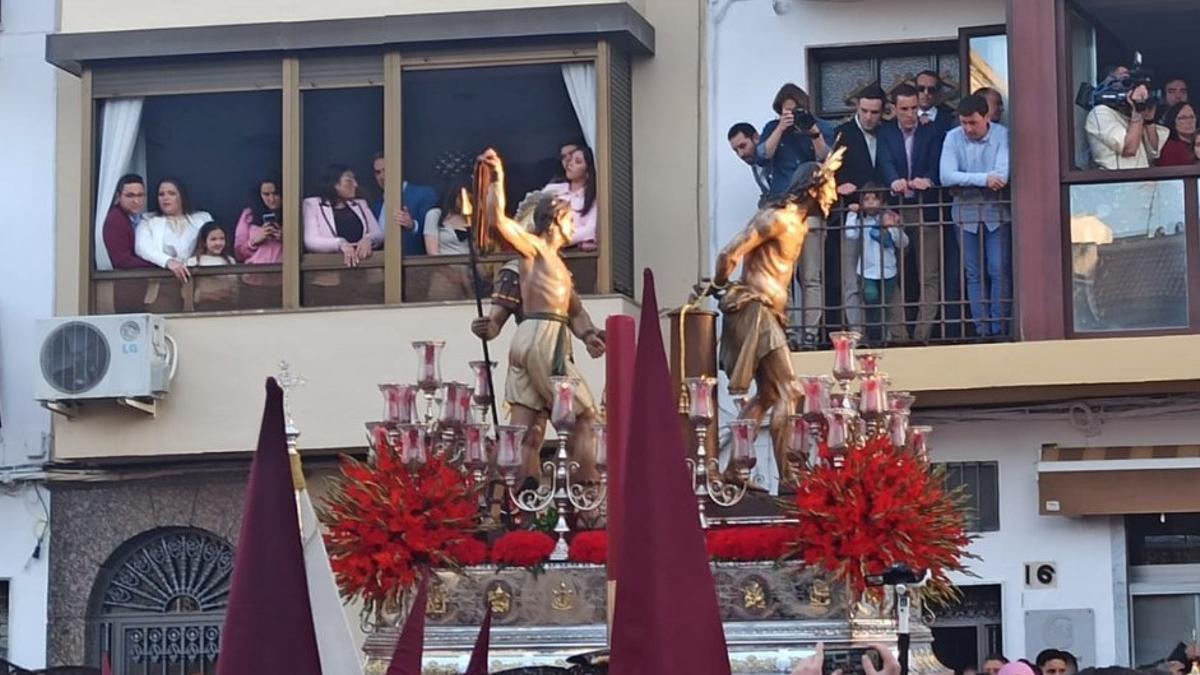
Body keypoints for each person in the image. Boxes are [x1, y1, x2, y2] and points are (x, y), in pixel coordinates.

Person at [701, 148, 842, 493]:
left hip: (771, 313)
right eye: (830, 186)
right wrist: (718, 286)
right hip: (755, 308)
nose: (835, 194)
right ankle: (790, 477)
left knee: (766, 396)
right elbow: (729, 253)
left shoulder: (799, 226)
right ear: (814, 186)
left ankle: (737, 468)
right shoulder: (776, 218)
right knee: (789, 391)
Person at [476, 148, 606, 486]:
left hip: (536, 338)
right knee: (586, 416)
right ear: (558, 219)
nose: (575, 225)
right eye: (571, 219)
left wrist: (590, 334)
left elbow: (576, 313)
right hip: (542, 339)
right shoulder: (535, 249)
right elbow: (499, 223)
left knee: (524, 432)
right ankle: (586, 494)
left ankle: (503, 498)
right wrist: (497, 181)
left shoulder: (559, 267)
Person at [940, 94, 1011, 337]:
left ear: (986, 118)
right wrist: (983, 179)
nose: (968, 129)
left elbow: (1002, 176)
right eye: (964, 123)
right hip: (964, 214)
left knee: (998, 268)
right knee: (973, 272)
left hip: (996, 212)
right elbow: (946, 176)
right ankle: (982, 330)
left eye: (973, 123)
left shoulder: (1002, 134)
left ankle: (998, 326)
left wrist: (966, 181)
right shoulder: (952, 138)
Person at [878, 83, 942, 342]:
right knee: (892, 273)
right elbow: (884, 162)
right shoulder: (885, 134)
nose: (910, 114)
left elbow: (939, 165)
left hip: (925, 208)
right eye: (904, 108)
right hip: (897, 210)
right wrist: (893, 180)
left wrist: (929, 180)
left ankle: (921, 334)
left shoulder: (932, 132)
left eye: (914, 108)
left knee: (929, 274)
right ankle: (899, 334)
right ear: (893, 109)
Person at [834, 85, 888, 334]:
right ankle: (858, 333)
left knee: (886, 277)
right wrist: (841, 188)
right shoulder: (842, 134)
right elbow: (829, 173)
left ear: (882, 112)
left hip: (882, 216)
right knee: (852, 280)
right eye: (864, 110)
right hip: (853, 217)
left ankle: (883, 332)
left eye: (874, 112)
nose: (869, 117)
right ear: (857, 107)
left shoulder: (887, 133)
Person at [845, 186, 908, 344]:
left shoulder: (889, 219)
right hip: (867, 271)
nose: (871, 202)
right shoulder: (862, 222)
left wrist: (892, 227)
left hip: (888, 270)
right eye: (866, 199)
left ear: (882, 201)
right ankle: (874, 335)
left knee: (886, 304)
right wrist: (852, 213)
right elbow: (850, 233)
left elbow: (903, 242)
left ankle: (886, 336)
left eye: (874, 199)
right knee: (871, 298)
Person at [757, 83, 835, 199]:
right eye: (788, 111)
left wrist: (813, 132)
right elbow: (762, 157)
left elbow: (826, 160)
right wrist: (780, 129)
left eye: (796, 111)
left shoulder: (822, 127)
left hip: (811, 196)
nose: (793, 115)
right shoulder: (772, 128)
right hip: (781, 196)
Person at [135, 177, 213, 289]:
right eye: (161, 194)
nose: (165, 198)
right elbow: (142, 247)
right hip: (165, 284)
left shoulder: (202, 218)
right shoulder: (148, 221)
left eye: (171, 193)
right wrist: (168, 262)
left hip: (201, 282)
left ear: (181, 196)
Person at [303, 164, 383, 266]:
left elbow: (379, 234)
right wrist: (340, 244)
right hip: (328, 269)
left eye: (355, 180)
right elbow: (311, 241)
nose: (355, 185)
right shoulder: (312, 204)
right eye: (349, 180)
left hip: (364, 266)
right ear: (334, 184)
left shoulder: (360, 204)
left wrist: (368, 239)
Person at [1085, 78, 1166, 169]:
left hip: (1141, 180)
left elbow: (1153, 153)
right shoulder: (1100, 113)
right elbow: (1129, 149)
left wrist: (1149, 120)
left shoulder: (1131, 115)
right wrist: (1137, 112)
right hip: (1117, 180)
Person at [372, 152, 438, 256]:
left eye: (386, 170)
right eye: (378, 172)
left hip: (416, 267)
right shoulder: (376, 206)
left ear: (398, 169)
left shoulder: (424, 194)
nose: (382, 176)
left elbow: (434, 231)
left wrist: (412, 225)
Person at [423, 179, 475, 300]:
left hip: (471, 277)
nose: (465, 204)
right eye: (462, 200)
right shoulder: (435, 215)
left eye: (470, 200)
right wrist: (454, 275)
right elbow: (432, 253)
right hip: (444, 276)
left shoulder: (475, 219)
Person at [542, 145, 598, 250]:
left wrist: (558, 240)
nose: (570, 163)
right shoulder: (552, 189)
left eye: (577, 161)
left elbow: (590, 230)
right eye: (570, 160)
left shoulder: (592, 199)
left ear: (588, 172)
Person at [103, 174, 153, 270]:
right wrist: (160, 264)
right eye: (130, 196)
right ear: (118, 196)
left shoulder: (139, 218)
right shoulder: (115, 220)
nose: (136, 201)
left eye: (140, 195)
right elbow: (123, 261)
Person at [186, 222, 238, 310]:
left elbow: (235, 288)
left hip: (227, 307)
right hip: (203, 308)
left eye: (222, 239)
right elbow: (189, 292)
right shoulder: (193, 262)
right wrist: (208, 295)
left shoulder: (230, 261)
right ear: (204, 242)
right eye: (213, 239)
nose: (218, 243)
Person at [728, 122, 772, 200]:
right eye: (736, 150)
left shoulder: (776, 155)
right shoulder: (754, 165)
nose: (741, 154)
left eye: (743, 146)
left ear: (756, 138)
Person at [916, 70, 959, 136]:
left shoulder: (950, 121)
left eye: (931, 90)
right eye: (921, 89)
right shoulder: (904, 118)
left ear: (937, 93)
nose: (926, 93)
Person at [1155, 102, 1197, 166]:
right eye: (1183, 118)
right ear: (1173, 121)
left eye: (1192, 117)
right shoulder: (1169, 148)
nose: (1189, 121)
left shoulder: (1197, 144)